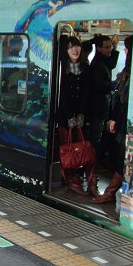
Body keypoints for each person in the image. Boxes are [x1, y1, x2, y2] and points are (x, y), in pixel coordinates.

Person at [93, 35, 132, 203]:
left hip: (123, 118)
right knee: (119, 153)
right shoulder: (98, 64)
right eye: (108, 47)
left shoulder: (128, 70)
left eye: (126, 48)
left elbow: (122, 98)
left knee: (122, 154)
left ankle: (109, 194)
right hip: (120, 117)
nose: (122, 50)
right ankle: (108, 193)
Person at [57, 36, 97, 195]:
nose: (75, 50)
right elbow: (61, 95)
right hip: (65, 117)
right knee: (68, 149)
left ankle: (92, 181)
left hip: (83, 116)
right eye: (70, 47)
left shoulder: (86, 68)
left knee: (87, 148)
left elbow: (88, 93)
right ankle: (71, 179)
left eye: (77, 46)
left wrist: (81, 114)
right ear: (65, 51)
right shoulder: (60, 68)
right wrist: (69, 115)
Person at [89, 34, 119, 164]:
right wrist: (115, 83)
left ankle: (97, 161)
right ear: (99, 48)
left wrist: (115, 47)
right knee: (95, 137)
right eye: (107, 47)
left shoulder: (103, 60)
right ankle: (92, 163)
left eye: (110, 47)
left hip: (103, 106)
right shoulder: (97, 64)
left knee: (100, 135)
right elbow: (99, 85)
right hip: (97, 106)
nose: (110, 50)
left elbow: (112, 64)